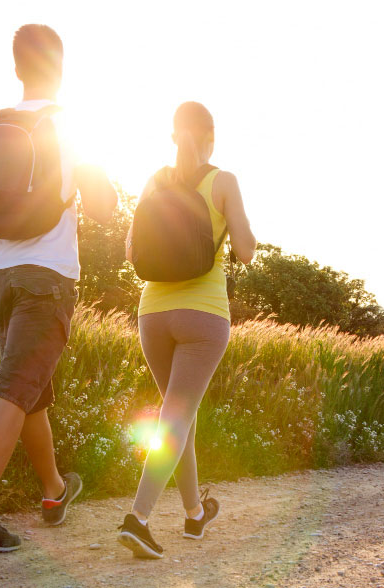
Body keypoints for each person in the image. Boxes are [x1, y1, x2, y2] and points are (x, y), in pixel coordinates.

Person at [0, 24, 117, 552]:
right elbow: (107, 210)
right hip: (48, 276)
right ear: (61, 71)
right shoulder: (72, 131)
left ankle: (54, 490)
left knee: (30, 393)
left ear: (18, 69)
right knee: (16, 392)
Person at [118, 101, 256, 558]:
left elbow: (132, 249)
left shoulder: (155, 180)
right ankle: (137, 519)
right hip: (203, 314)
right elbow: (247, 251)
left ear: (175, 136)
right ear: (211, 137)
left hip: (152, 313)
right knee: (175, 419)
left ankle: (195, 514)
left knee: (180, 417)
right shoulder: (224, 181)